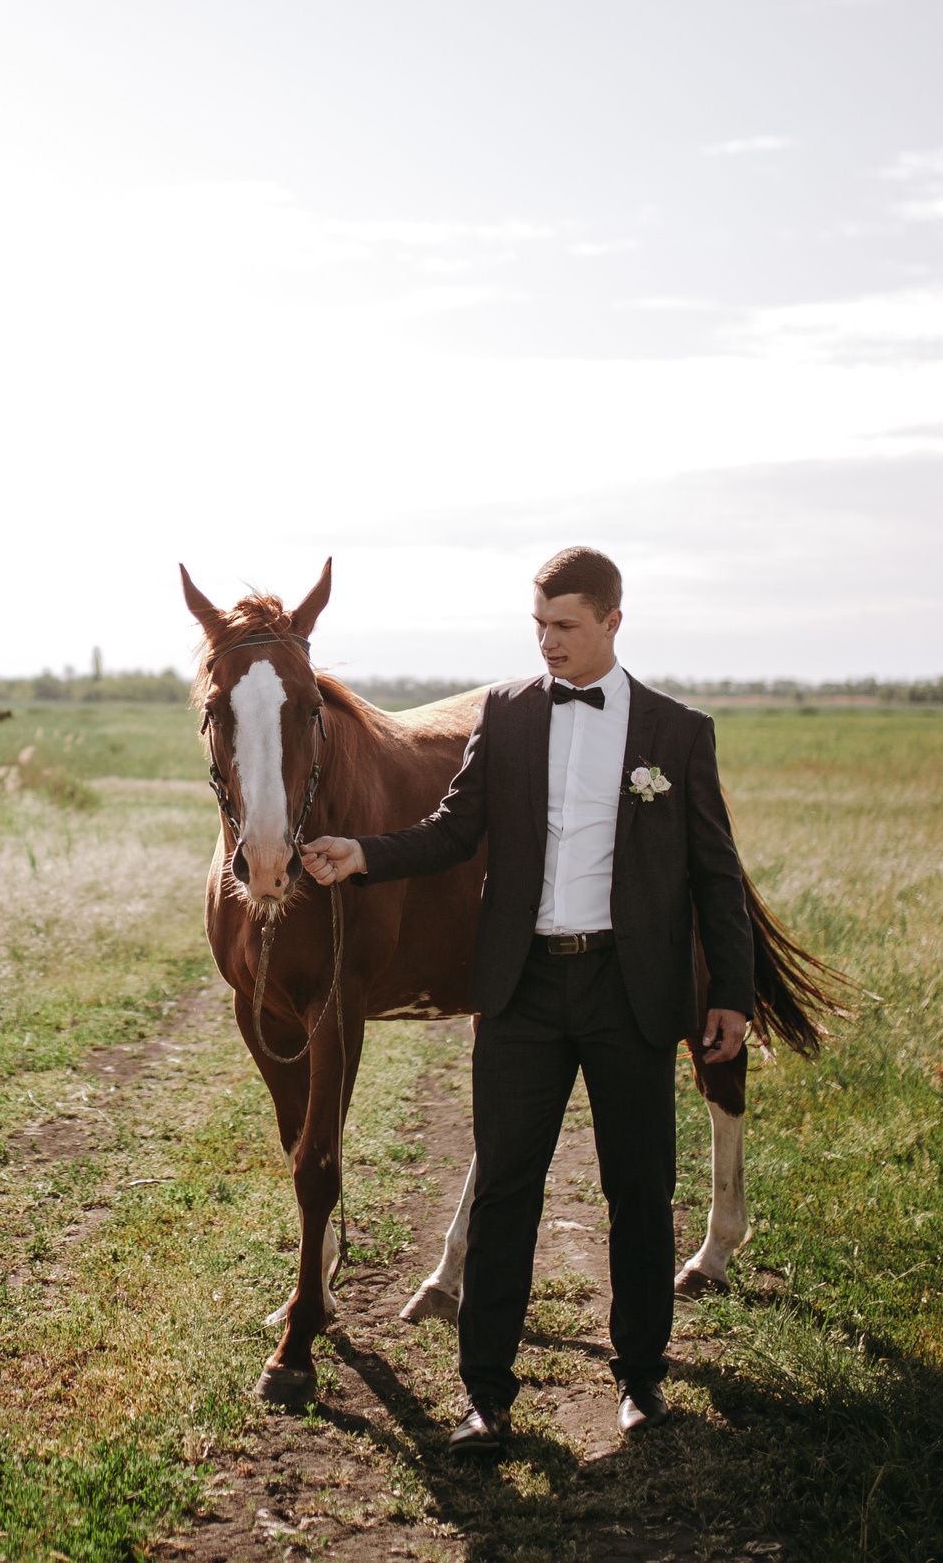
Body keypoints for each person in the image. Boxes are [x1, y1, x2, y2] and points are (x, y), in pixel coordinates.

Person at [298, 546, 753, 1454]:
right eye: (538, 625)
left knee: (639, 1192)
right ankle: (486, 1397)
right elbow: (453, 829)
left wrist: (732, 994)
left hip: (631, 990)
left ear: (613, 622)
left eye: (566, 626)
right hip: (520, 987)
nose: (548, 642)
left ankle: (641, 1379)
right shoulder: (505, 714)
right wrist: (365, 854)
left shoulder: (676, 732)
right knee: (507, 1191)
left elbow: (716, 872)